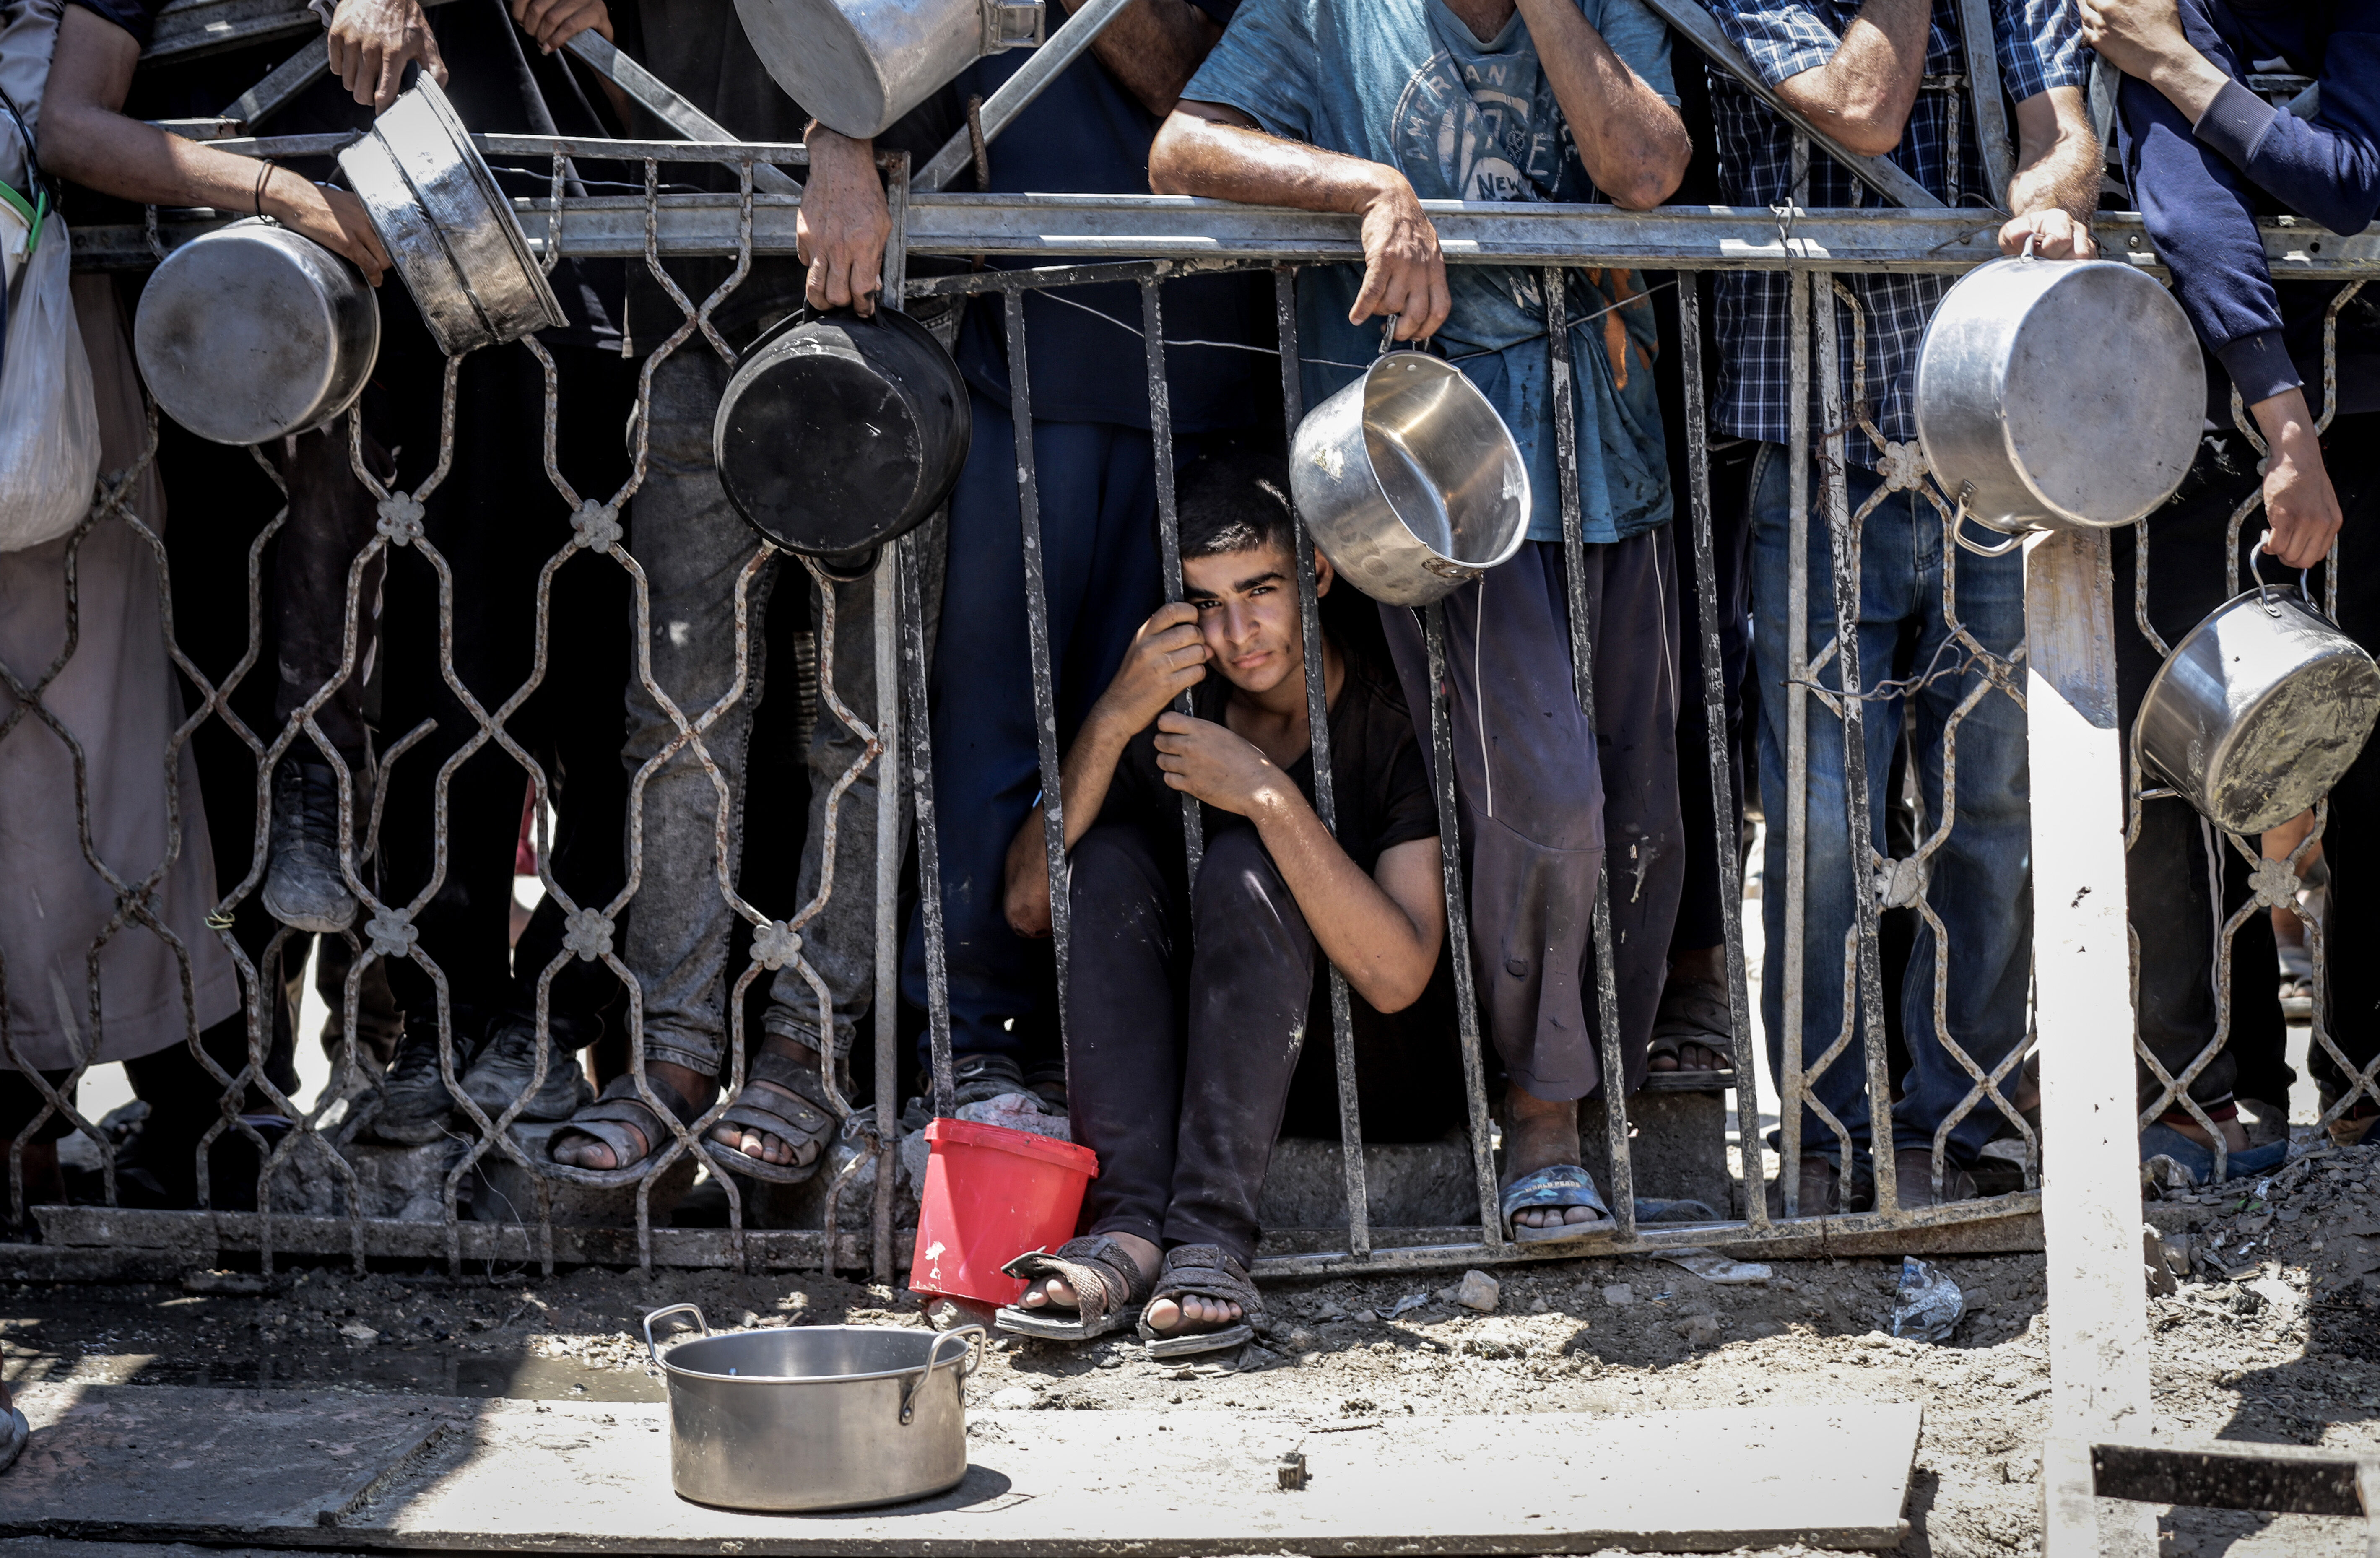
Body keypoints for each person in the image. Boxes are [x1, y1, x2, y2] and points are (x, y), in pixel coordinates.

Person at [1149, 0, 1692, 1242]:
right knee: (1545, 794)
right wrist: (1368, 189)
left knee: (1641, 810)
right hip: (1430, 477)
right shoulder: (1333, 11)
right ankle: (1542, 1114)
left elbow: (1647, 170)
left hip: (1615, 458)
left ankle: (1594, 1092)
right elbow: (1182, 147)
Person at [539, 0, 956, 1184]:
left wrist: (845, 134)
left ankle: (807, 1050)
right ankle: (670, 1054)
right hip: (694, 288)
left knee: (859, 723)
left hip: (880, 285)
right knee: (679, 715)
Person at [1701, 0, 2102, 1211]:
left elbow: (2063, 134)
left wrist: (2050, 200)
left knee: (1992, 804)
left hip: (1991, 445)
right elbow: (1862, 109)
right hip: (1819, 446)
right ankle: (1822, 1130)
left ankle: (1959, 1121)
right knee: (1826, 818)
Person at [890, 0, 1271, 1115]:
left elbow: (1213, 90)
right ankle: (964, 1046)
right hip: (1022, 358)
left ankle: (1091, 1043)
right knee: (988, 728)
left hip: (1205, 371)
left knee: (1151, 733)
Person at [995, 453, 1449, 1352]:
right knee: (1108, 859)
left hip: (1362, 1072)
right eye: (1207, 603)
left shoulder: (1391, 717)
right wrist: (1114, 717)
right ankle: (1128, 1229)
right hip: (1195, 1078)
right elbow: (1025, 906)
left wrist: (1267, 795)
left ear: (1316, 574)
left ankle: (1209, 1238)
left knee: (1245, 860)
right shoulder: (1175, 707)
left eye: (1260, 591)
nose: (1238, 634)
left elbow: (1399, 977)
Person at [2083, 0, 2380, 1165]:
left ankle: (2361, 1077)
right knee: (2185, 762)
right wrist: (2282, 421)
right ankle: (2202, 1086)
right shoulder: (2162, 5)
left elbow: (2348, 182)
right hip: (2201, 420)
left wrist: (2176, 69)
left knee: (2371, 757)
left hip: (2365, 414)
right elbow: (2191, 213)